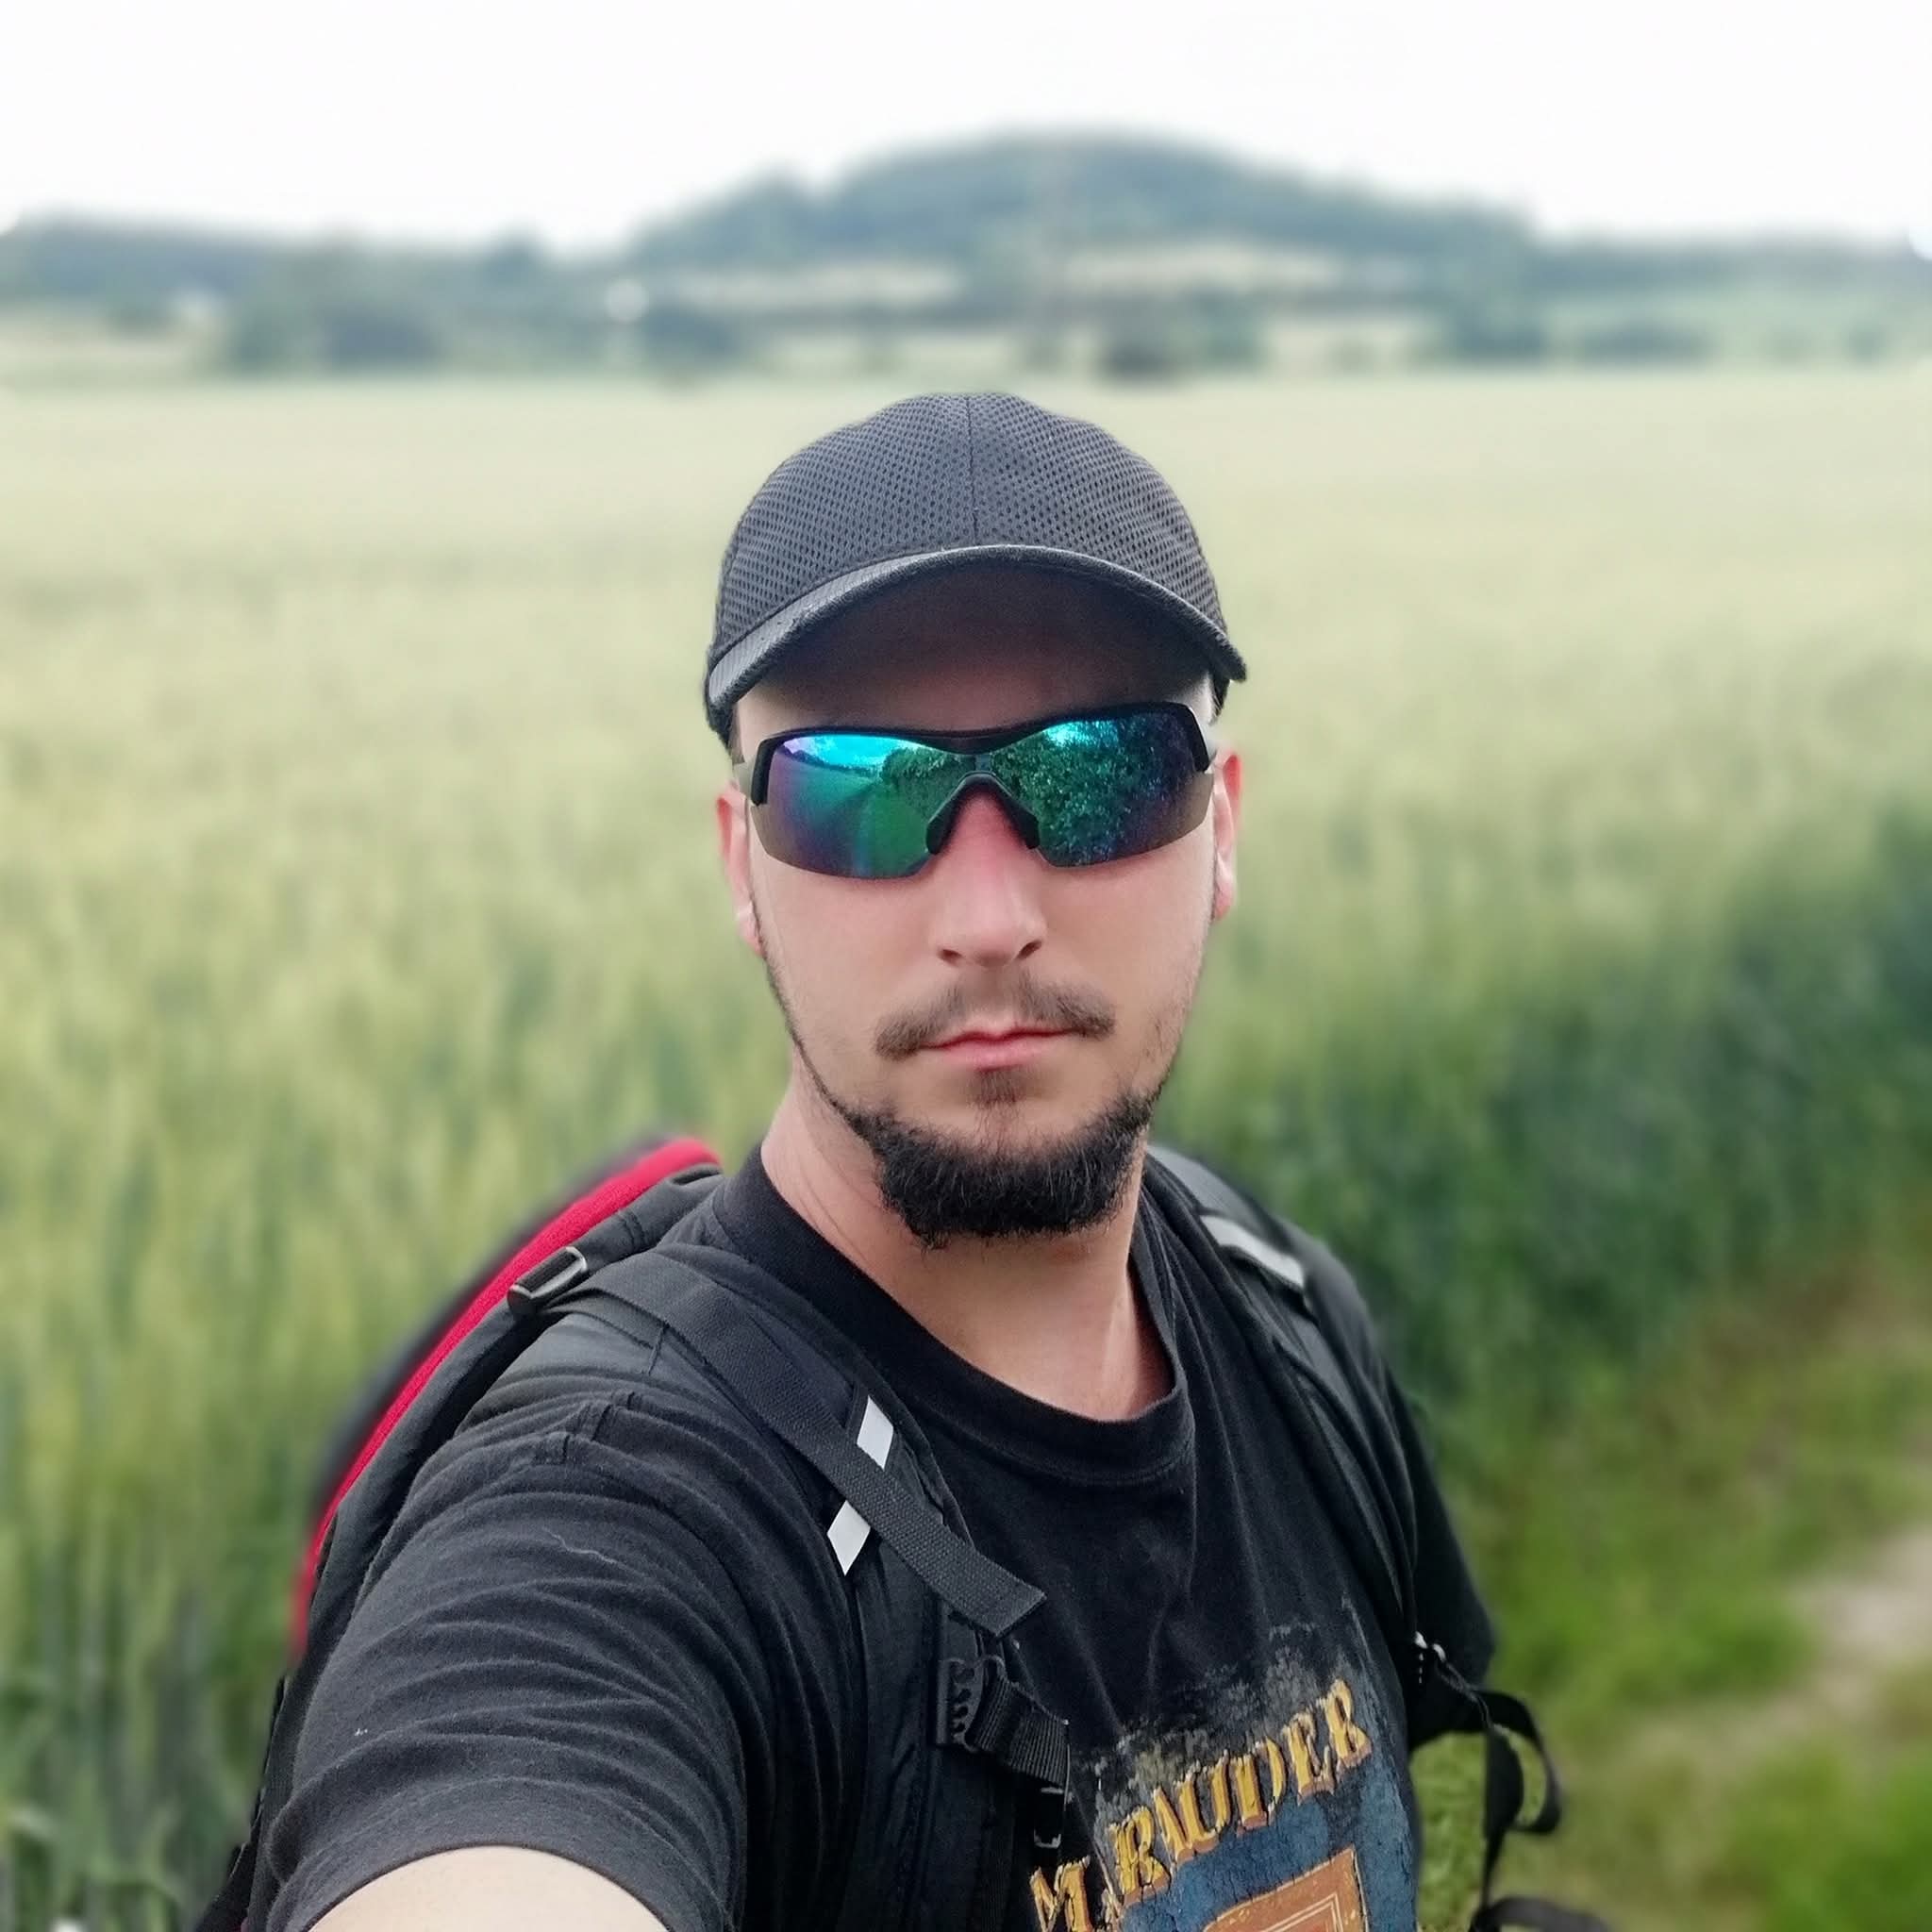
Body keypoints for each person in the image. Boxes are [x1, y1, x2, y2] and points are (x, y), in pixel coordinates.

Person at [256, 392, 1495, 1932]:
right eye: (858, 792)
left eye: (1100, 774)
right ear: (744, 868)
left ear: (1221, 828)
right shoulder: (615, 1512)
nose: (988, 920)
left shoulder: (1280, 1316)